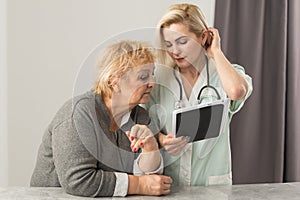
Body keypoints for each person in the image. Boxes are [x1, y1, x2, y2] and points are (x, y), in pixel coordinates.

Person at [30, 40, 173, 197]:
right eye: (143, 77)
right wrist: (138, 185)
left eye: (152, 74)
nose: (152, 83)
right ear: (114, 81)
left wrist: (150, 149)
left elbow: (150, 180)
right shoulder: (79, 114)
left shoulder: (141, 117)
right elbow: (78, 180)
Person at [146, 4, 253, 186]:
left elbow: (237, 92)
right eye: (169, 44)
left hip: (212, 186)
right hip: (172, 185)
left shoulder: (224, 74)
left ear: (203, 37)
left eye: (182, 42)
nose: (175, 51)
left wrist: (215, 51)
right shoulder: (160, 81)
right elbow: (146, 125)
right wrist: (162, 140)